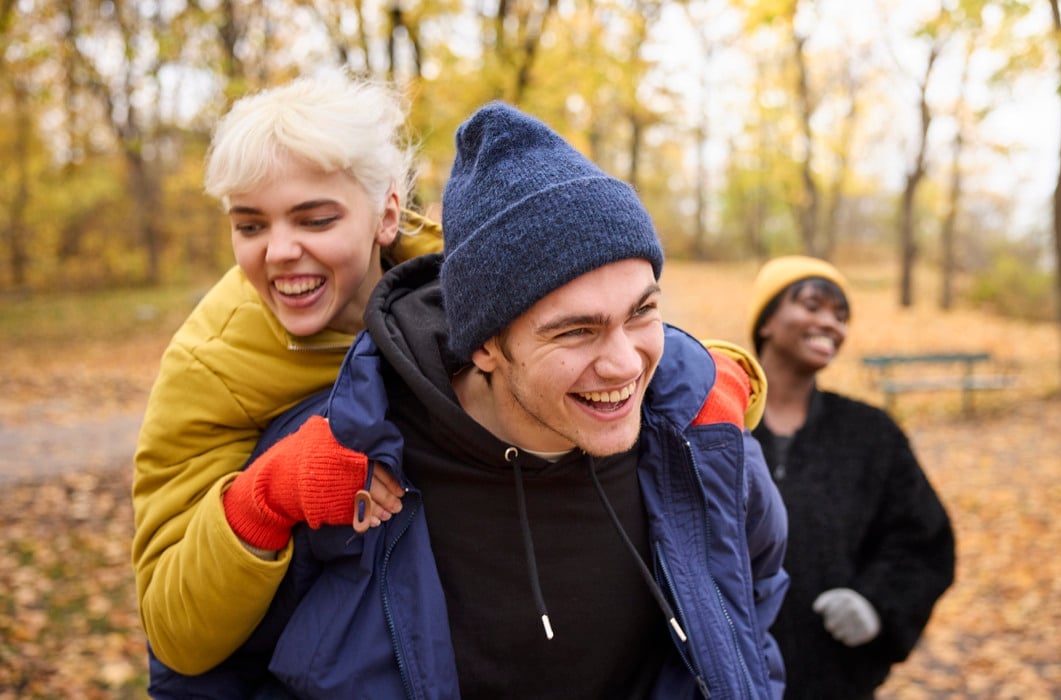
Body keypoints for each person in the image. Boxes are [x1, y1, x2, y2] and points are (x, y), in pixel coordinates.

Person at [162, 101, 790, 698]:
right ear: (485, 345)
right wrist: (264, 501)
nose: (626, 363)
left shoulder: (700, 442)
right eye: (576, 331)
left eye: (642, 311)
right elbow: (201, 672)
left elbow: (751, 604)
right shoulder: (344, 461)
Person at [131, 71, 441, 682]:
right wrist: (268, 495)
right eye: (250, 225)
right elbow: (173, 628)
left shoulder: (460, 286)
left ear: (386, 216)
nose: (277, 252)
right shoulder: (210, 363)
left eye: (315, 220)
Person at [746, 256, 956, 699]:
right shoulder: (712, 429)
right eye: (812, 306)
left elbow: (924, 540)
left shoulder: (871, 434)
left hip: (834, 681)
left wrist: (876, 603)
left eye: (840, 316)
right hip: (722, 680)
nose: (831, 323)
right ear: (766, 322)